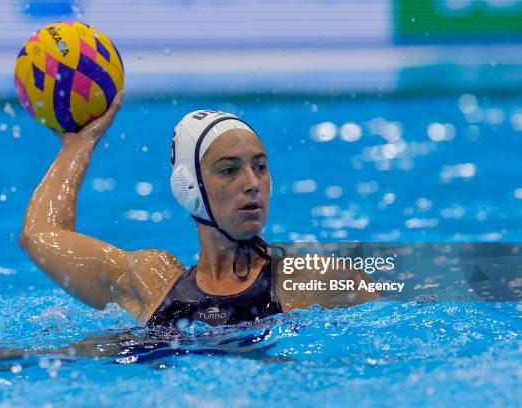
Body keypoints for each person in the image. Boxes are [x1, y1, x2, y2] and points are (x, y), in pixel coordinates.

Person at [19, 91, 378, 328]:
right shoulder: (152, 280)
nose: (252, 182)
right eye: (229, 169)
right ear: (188, 187)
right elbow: (39, 236)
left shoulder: (311, 280)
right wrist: (79, 144)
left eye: (260, 166)